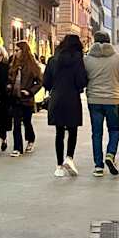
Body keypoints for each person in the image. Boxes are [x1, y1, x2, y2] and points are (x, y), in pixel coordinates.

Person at [84, 30, 119, 175]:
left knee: (96, 133)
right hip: (112, 99)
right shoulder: (118, 58)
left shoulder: (87, 59)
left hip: (94, 100)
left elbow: (82, 78)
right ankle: (110, 154)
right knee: (114, 129)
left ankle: (98, 166)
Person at [43, 34, 87, 177]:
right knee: (72, 130)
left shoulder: (52, 60)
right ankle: (69, 157)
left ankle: (58, 166)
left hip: (56, 98)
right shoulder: (78, 60)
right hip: (72, 98)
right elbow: (81, 81)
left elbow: (46, 82)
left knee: (59, 132)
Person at [9, 40, 43, 156]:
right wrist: (9, 86)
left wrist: (30, 91)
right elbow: (9, 78)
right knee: (17, 123)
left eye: (17, 50)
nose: (15, 53)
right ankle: (17, 148)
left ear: (23, 51)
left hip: (26, 98)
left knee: (27, 122)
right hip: (15, 98)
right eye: (15, 50)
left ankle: (30, 139)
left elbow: (39, 82)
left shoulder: (32, 66)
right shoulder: (13, 64)